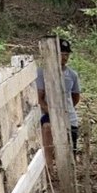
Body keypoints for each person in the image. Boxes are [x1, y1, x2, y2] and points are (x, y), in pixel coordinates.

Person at [36, 37, 82, 166]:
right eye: (62, 54)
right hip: (48, 114)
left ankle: (70, 171)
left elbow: (75, 96)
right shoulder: (41, 72)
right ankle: (49, 167)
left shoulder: (72, 75)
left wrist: (66, 110)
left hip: (69, 115)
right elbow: (39, 97)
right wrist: (52, 112)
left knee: (71, 149)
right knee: (47, 130)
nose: (65, 57)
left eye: (67, 54)